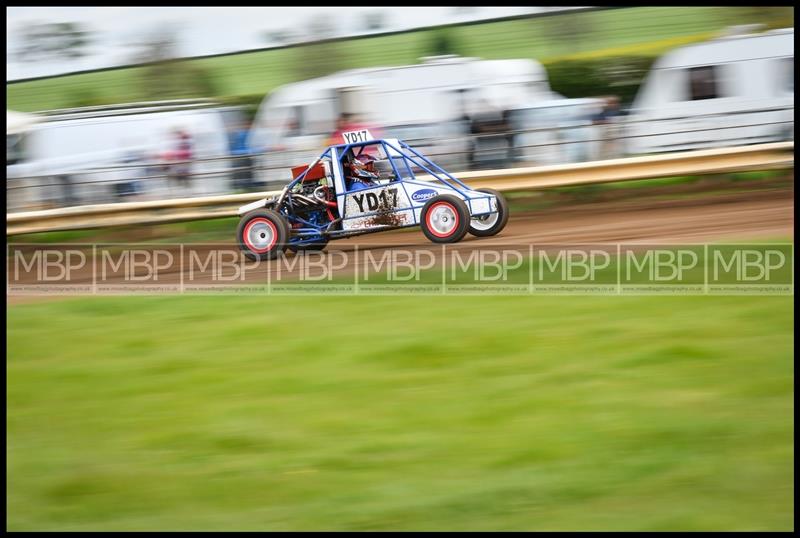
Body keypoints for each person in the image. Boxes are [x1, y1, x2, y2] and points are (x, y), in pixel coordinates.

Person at [229, 119, 257, 192]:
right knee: (246, 174)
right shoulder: (246, 133)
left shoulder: (240, 133)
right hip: (245, 156)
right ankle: (247, 187)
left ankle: (244, 187)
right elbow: (248, 146)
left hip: (241, 156)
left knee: (243, 173)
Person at [164, 128, 194, 195]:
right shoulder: (180, 142)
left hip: (183, 164)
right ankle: (185, 192)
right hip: (180, 164)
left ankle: (186, 192)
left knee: (184, 179)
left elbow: (186, 152)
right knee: (182, 179)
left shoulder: (185, 142)